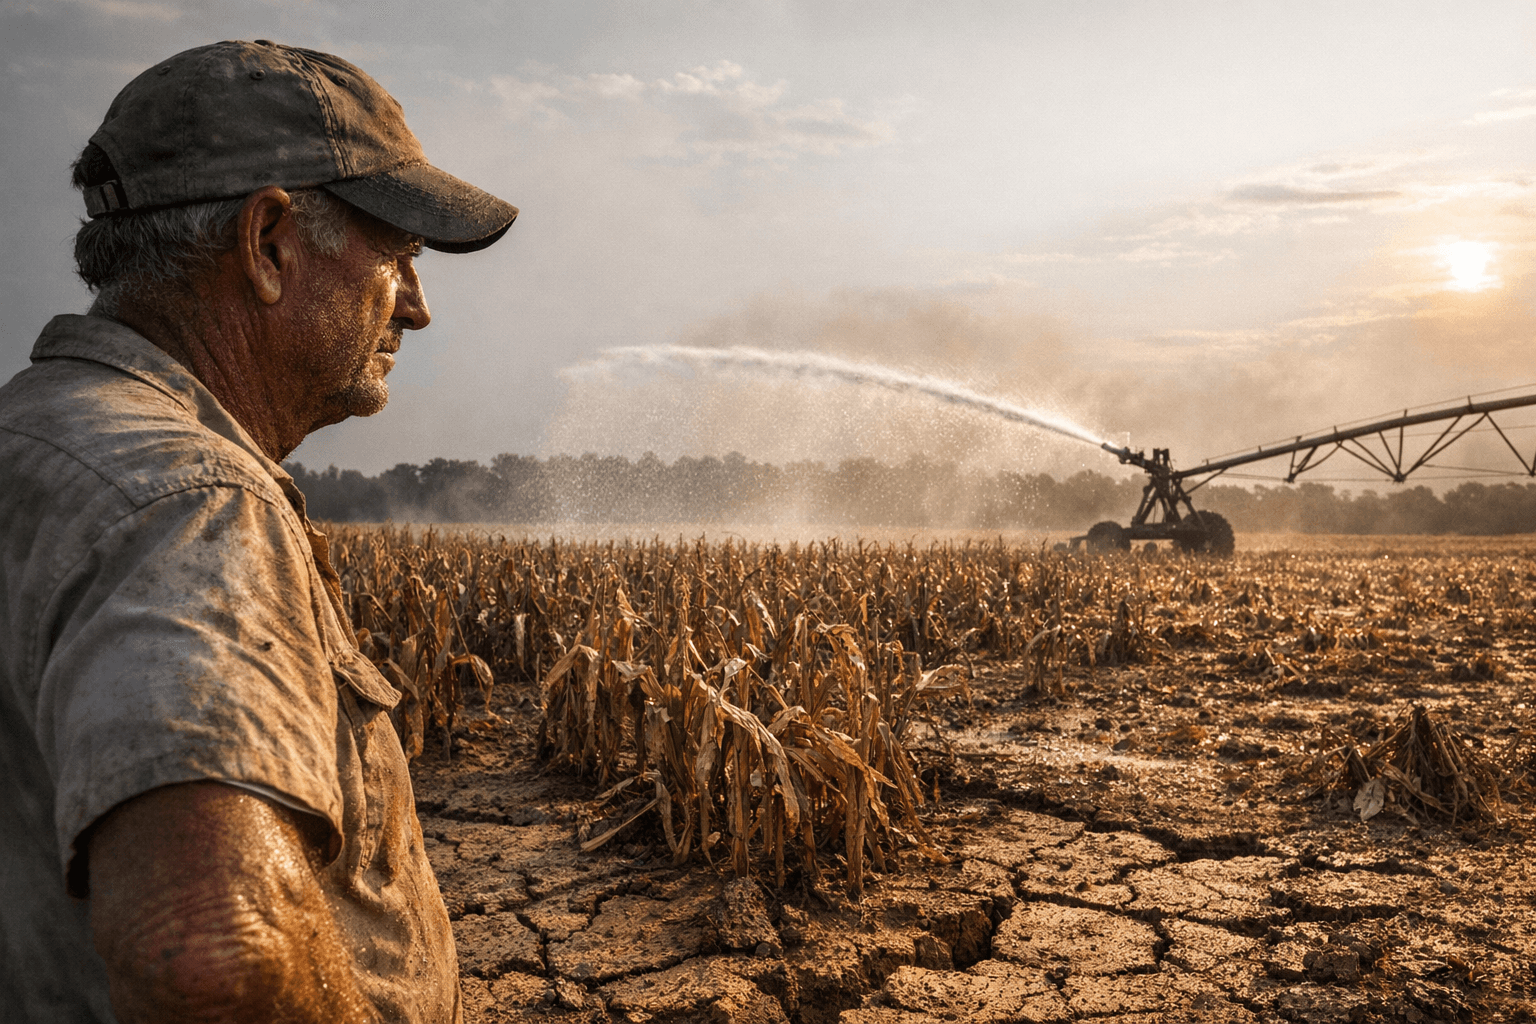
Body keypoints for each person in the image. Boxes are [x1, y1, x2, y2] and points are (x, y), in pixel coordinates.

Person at [0, 40, 518, 1023]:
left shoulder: (36, 435)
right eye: (397, 253)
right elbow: (214, 958)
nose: (417, 305)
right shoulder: (189, 501)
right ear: (270, 242)